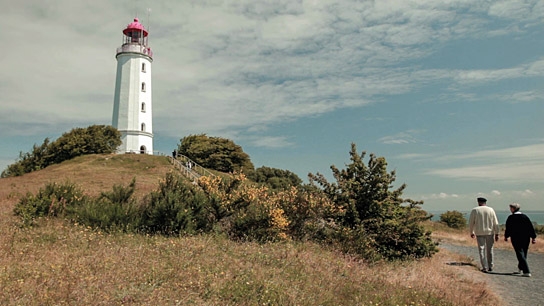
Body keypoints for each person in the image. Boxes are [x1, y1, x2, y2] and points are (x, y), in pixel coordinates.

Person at [504, 203, 537, 277]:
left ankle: (526, 271)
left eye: (511, 208)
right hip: (526, 237)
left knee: (519, 253)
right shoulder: (525, 217)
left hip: (516, 238)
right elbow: (530, 227)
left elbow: (508, 228)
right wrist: (533, 237)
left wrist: (506, 236)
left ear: (513, 209)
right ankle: (520, 268)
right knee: (524, 253)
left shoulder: (511, 218)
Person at [468, 197, 500, 272]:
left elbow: (471, 222)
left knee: (481, 249)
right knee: (490, 249)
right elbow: (495, 222)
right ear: (485, 202)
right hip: (489, 232)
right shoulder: (491, 210)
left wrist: (471, 232)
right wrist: (497, 233)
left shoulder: (475, 210)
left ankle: (484, 266)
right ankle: (490, 265)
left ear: (478, 202)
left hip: (479, 232)